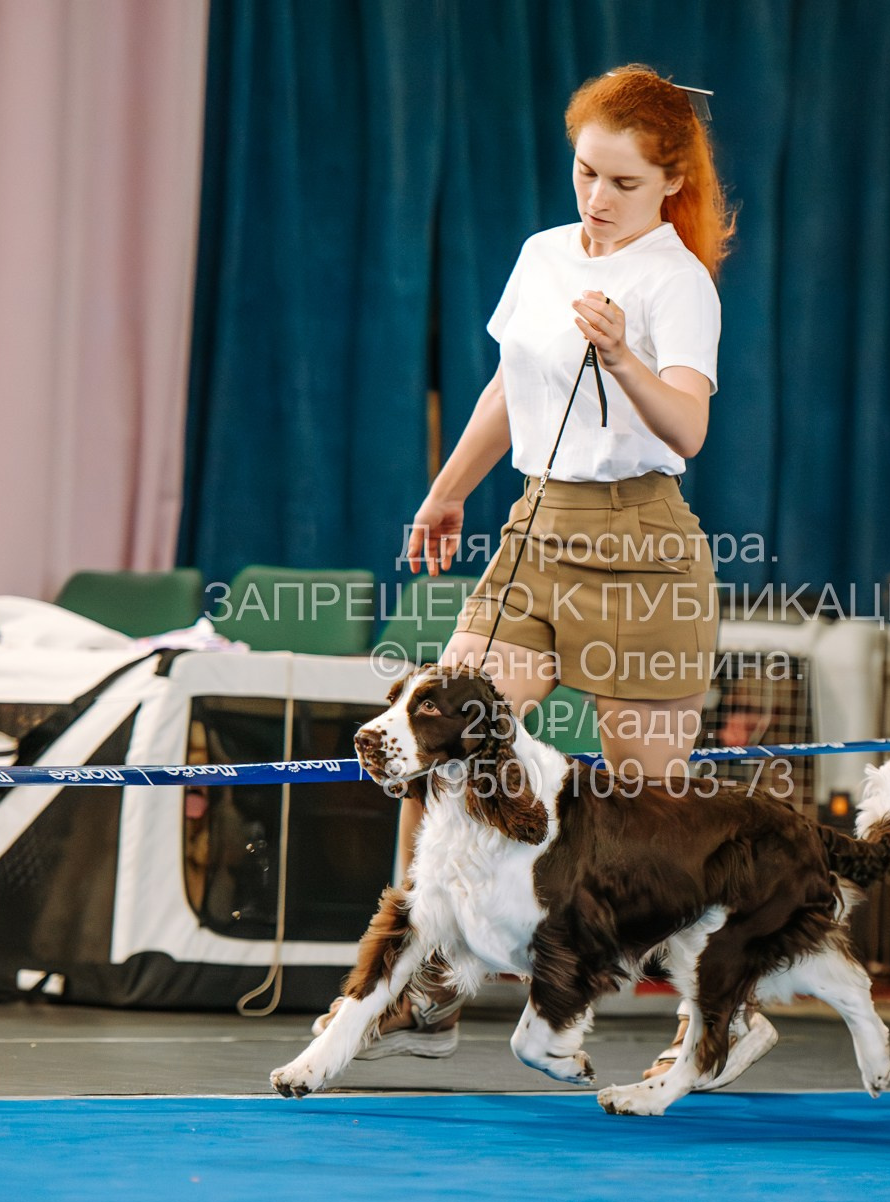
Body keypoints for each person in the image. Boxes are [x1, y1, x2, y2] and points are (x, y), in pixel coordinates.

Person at [319, 64, 770, 1083]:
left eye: (617, 182)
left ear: (667, 184)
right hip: (535, 530)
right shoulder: (538, 255)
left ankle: (721, 1009)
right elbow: (506, 387)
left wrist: (622, 359)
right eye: (583, 173)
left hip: (644, 551)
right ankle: (426, 981)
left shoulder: (676, 283)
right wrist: (445, 491)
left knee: (654, 820)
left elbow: (688, 428)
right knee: (434, 730)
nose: (594, 199)